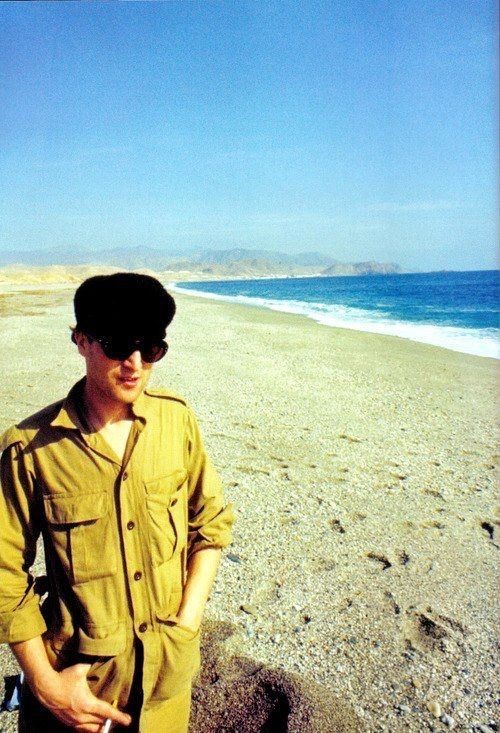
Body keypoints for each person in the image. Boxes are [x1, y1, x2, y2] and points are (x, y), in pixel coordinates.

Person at [0, 273, 235, 732]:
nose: (134, 364)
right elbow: (3, 570)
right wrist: (46, 685)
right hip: (77, 698)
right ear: (81, 341)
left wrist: (187, 624)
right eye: (117, 345)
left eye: (150, 350)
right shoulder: (29, 448)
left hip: (165, 693)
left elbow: (210, 522)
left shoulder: (176, 422)